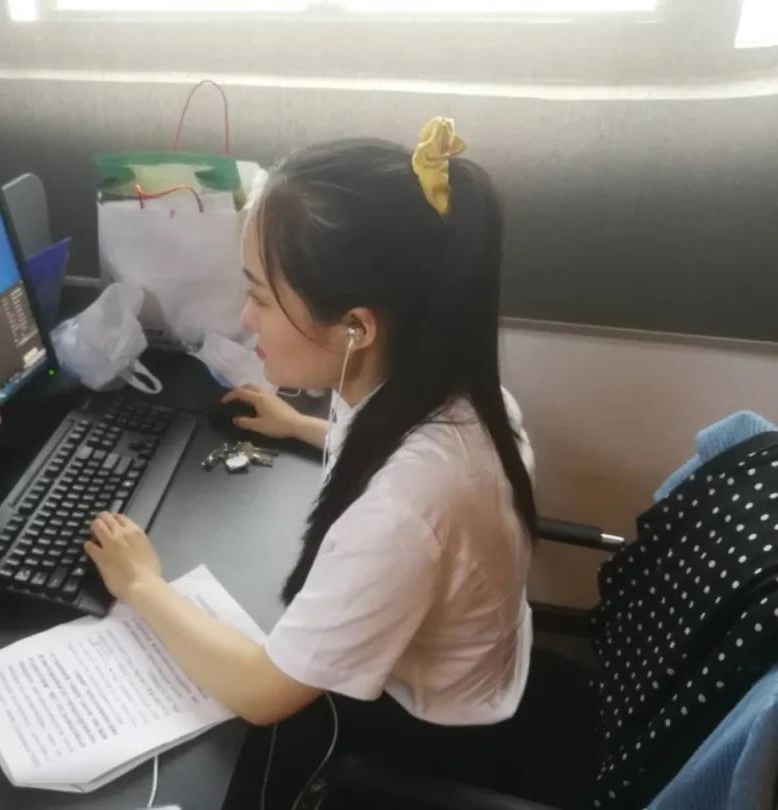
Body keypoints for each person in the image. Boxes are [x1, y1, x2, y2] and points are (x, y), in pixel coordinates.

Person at [86, 118, 538, 808]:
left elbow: (262, 695)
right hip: (468, 678)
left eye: (261, 297)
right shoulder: (441, 389)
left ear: (357, 326)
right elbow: (392, 460)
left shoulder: (406, 508)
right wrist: (301, 425)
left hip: (429, 739)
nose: (246, 318)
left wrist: (141, 583)